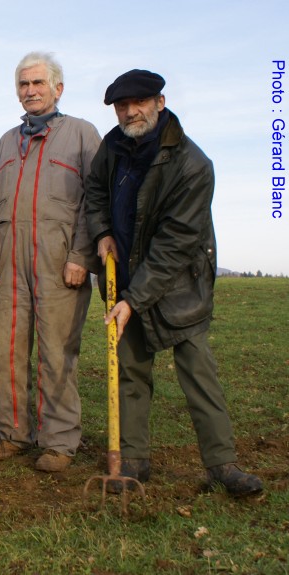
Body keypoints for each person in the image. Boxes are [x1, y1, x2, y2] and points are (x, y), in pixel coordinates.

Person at [85, 69, 263, 495]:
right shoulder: (112, 146)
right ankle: (133, 460)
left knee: (198, 372)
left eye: (139, 103)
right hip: (123, 276)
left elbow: (176, 243)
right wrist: (101, 231)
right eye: (122, 106)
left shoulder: (193, 163)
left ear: (160, 103)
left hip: (180, 283)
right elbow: (95, 189)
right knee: (129, 370)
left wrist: (135, 300)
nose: (130, 112)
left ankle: (222, 464)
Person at [0, 52, 101, 472]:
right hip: (7, 263)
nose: (30, 91)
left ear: (57, 89)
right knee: (4, 352)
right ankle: (14, 434)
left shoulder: (82, 135)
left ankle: (59, 441)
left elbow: (94, 203)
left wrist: (82, 255)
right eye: (23, 85)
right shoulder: (5, 143)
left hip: (59, 262)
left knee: (56, 352)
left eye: (38, 84)